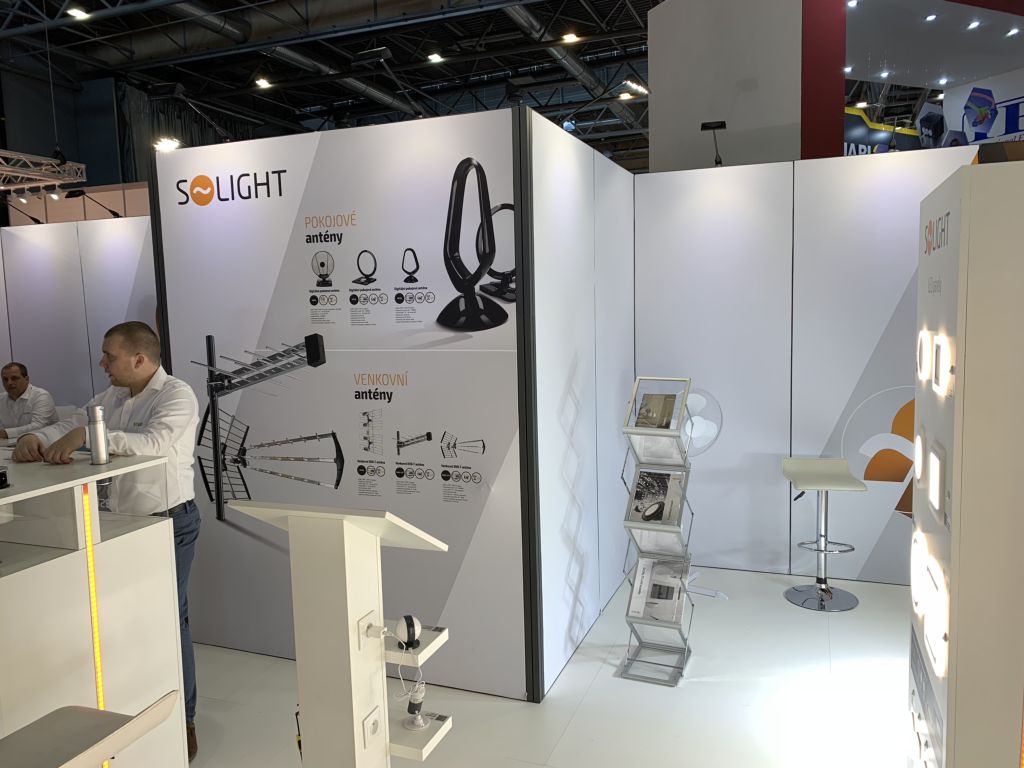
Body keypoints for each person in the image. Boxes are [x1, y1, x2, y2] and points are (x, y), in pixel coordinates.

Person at [13, 321, 202, 762]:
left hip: (168, 522)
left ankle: (185, 720)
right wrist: (34, 437)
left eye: (109, 356)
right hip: (120, 525)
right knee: (123, 618)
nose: (103, 364)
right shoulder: (112, 397)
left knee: (171, 620)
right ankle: (133, 707)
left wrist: (89, 436)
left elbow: (154, 442)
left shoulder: (176, 394)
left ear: (139, 358)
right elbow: (73, 420)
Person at [0, 362, 58, 439]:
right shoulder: (1, 399)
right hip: (11, 443)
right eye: (5, 379)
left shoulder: (41, 396)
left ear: (26, 379)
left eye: (14, 378)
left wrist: (6, 433)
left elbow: (39, 426)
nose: (9, 383)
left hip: (46, 442)